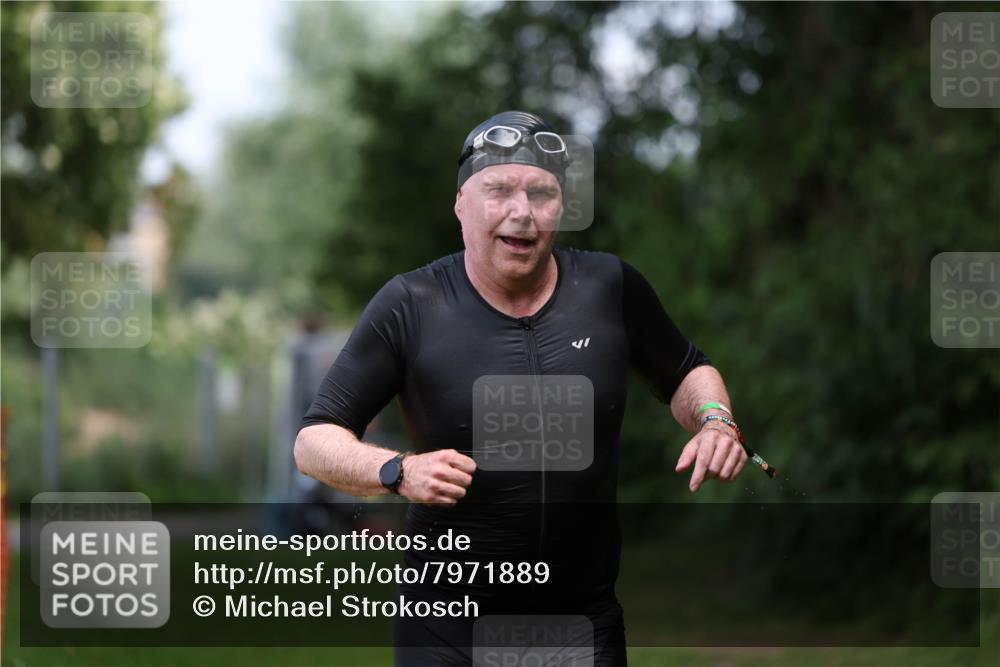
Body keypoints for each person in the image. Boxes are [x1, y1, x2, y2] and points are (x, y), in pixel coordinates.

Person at [294, 110, 749, 666]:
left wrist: (715, 419)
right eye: (500, 190)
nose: (522, 212)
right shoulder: (412, 304)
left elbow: (686, 370)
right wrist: (398, 472)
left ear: (563, 207)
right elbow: (314, 439)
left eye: (542, 192)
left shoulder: (609, 288)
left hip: (582, 627)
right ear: (462, 203)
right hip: (447, 633)